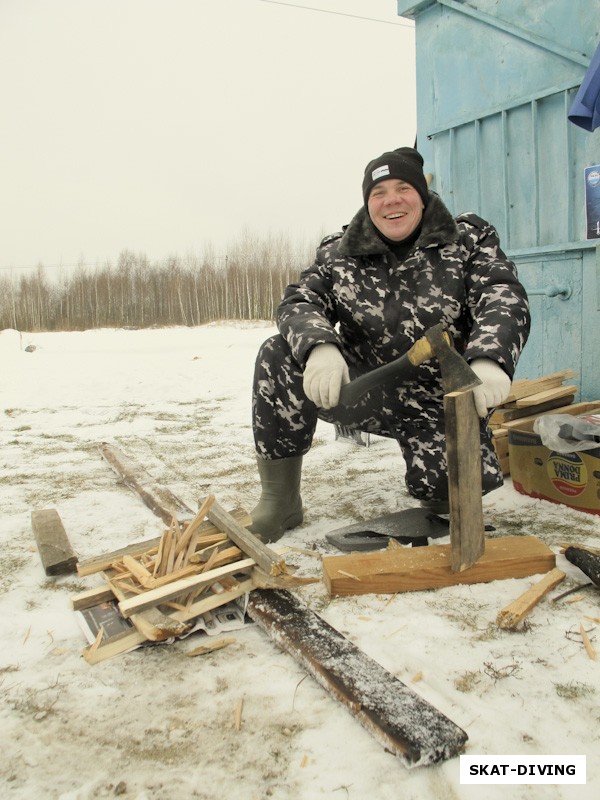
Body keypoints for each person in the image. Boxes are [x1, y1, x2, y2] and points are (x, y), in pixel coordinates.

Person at [249, 147, 530, 542]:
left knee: (448, 498)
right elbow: (300, 300)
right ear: (368, 202)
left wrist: (489, 359)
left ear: (422, 195)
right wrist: (319, 347)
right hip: (364, 389)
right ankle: (280, 501)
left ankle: (436, 492)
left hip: (439, 400)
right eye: (379, 192)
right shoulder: (338, 250)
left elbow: (502, 294)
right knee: (277, 354)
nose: (391, 200)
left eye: (403, 187)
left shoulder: (468, 239)